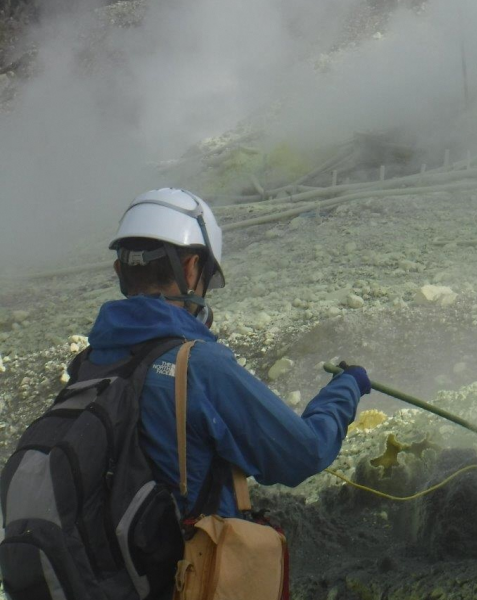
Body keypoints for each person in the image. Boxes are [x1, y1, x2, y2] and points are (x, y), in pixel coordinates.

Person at [88, 187, 370, 518]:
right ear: (192, 268)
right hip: (181, 566)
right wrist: (346, 388)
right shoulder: (198, 366)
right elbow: (304, 453)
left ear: (120, 273)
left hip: (102, 564)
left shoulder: (89, 362)